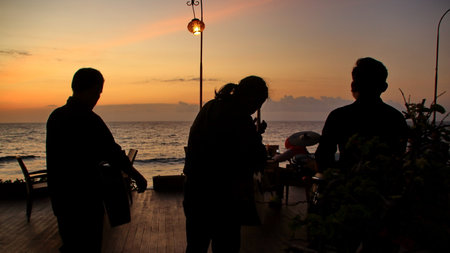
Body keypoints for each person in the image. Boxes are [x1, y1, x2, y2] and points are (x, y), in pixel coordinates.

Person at [46, 68, 147, 253]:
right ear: (91, 90)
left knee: (71, 244)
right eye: (98, 92)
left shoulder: (55, 117)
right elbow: (113, 152)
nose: (97, 98)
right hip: (86, 200)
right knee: (90, 245)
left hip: (61, 199)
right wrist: (137, 176)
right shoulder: (89, 120)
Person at [183, 76, 269, 253]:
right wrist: (256, 135)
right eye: (258, 103)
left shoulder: (209, 107)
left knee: (195, 246)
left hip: (195, 190)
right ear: (250, 97)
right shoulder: (240, 118)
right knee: (226, 246)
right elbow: (257, 158)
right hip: (224, 198)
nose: (256, 109)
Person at [315, 57, 408, 173]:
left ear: (354, 85)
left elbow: (323, 157)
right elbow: (399, 157)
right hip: (386, 187)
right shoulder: (396, 118)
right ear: (384, 87)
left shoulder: (339, 116)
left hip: (346, 186)